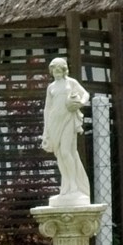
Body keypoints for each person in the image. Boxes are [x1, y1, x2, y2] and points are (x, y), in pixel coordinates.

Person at [38, 57, 94, 207]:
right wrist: (46, 132)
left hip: (68, 118)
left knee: (66, 152)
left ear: (63, 70)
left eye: (59, 69)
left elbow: (85, 94)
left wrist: (79, 104)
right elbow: (47, 108)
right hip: (54, 120)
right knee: (59, 155)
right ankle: (66, 185)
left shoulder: (71, 83)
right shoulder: (51, 87)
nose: (56, 72)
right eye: (53, 70)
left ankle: (74, 185)